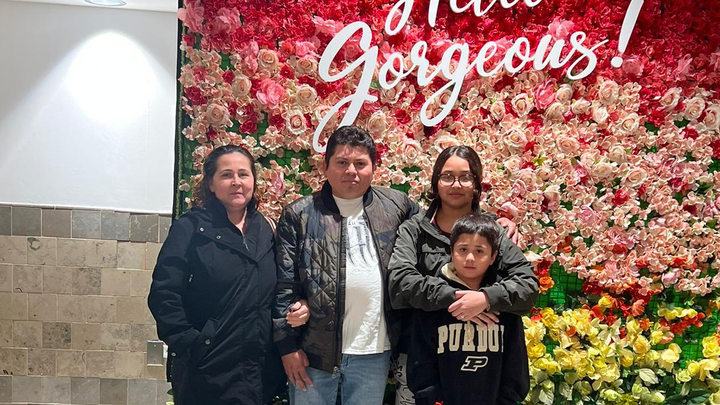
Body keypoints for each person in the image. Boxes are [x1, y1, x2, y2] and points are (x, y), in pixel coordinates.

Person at [273, 125, 419, 405]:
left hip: (374, 351)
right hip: (313, 351)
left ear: (373, 168)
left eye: (360, 163)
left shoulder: (396, 206)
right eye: (342, 162)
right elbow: (284, 284)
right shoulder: (299, 214)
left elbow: (437, 226)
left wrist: (497, 222)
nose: (351, 171)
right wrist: (287, 348)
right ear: (325, 167)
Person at [387, 145, 539, 405]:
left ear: (476, 184)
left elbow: (527, 286)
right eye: (447, 176)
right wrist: (457, 298)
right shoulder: (415, 230)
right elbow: (400, 283)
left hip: (486, 360)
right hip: (421, 359)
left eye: (465, 177)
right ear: (436, 182)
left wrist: (486, 299)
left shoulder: (493, 231)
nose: (455, 184)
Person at [148, 145, 286, 405]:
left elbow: (280, 289)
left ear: (253, 181)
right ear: (210, 184)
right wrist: (191, 344)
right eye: (226, 175)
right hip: (206, 370)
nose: (236, 182)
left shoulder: (267, 229)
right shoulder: (191, 228)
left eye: (243, 174)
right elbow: (164, 294)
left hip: (259, 370)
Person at [407, 213, 530, 405]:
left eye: (480, 251)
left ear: (493, 256)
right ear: (451, 252)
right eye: (463, 249)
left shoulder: (503, 302)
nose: (470, 258)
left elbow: (515, 364)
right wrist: (433, 400)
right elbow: (420, 361)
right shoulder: (433, 299)